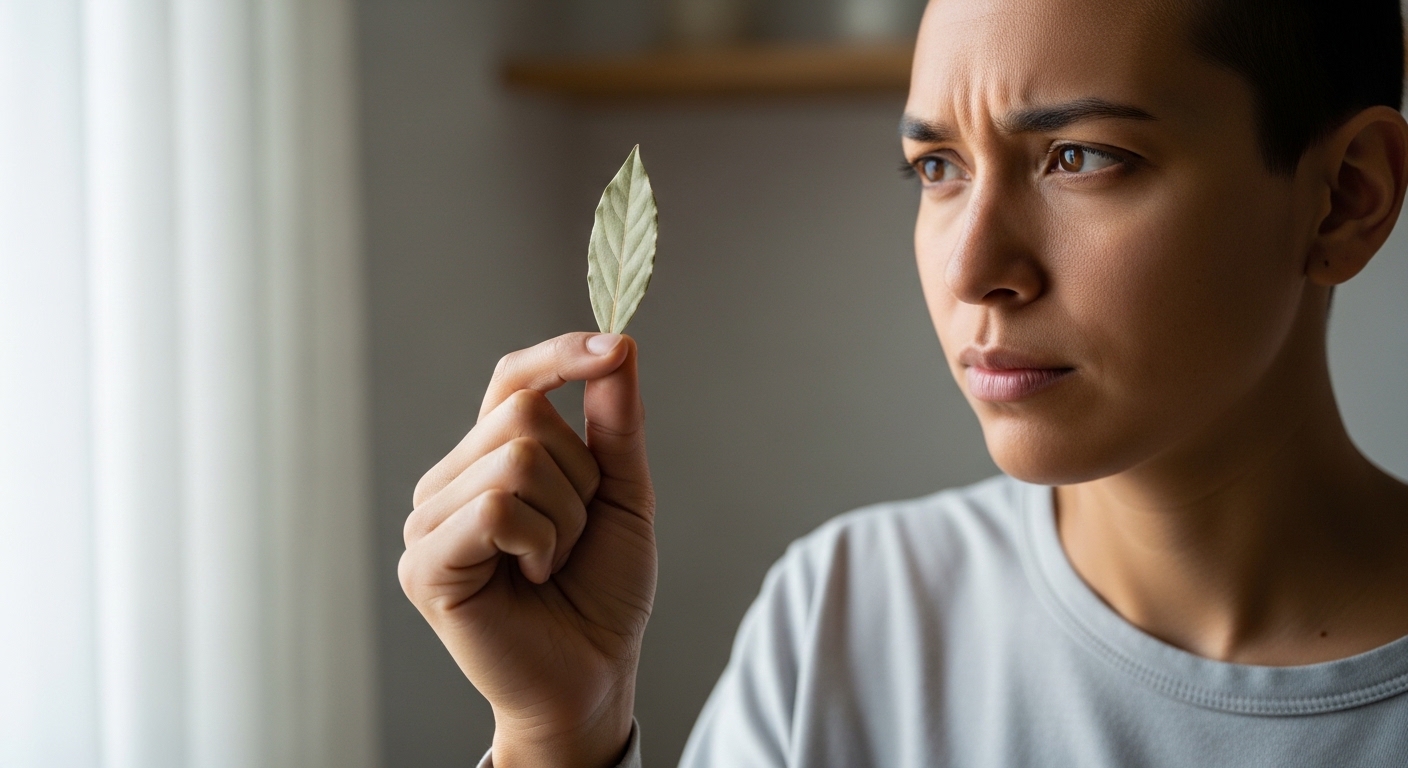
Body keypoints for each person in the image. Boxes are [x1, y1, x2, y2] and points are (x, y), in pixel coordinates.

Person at [397, 0, 1408, 764]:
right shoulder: (845, 614)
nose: (972, 269)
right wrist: (558, 731)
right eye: (936, 167)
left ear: (1344, 201)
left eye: (1079, 156)